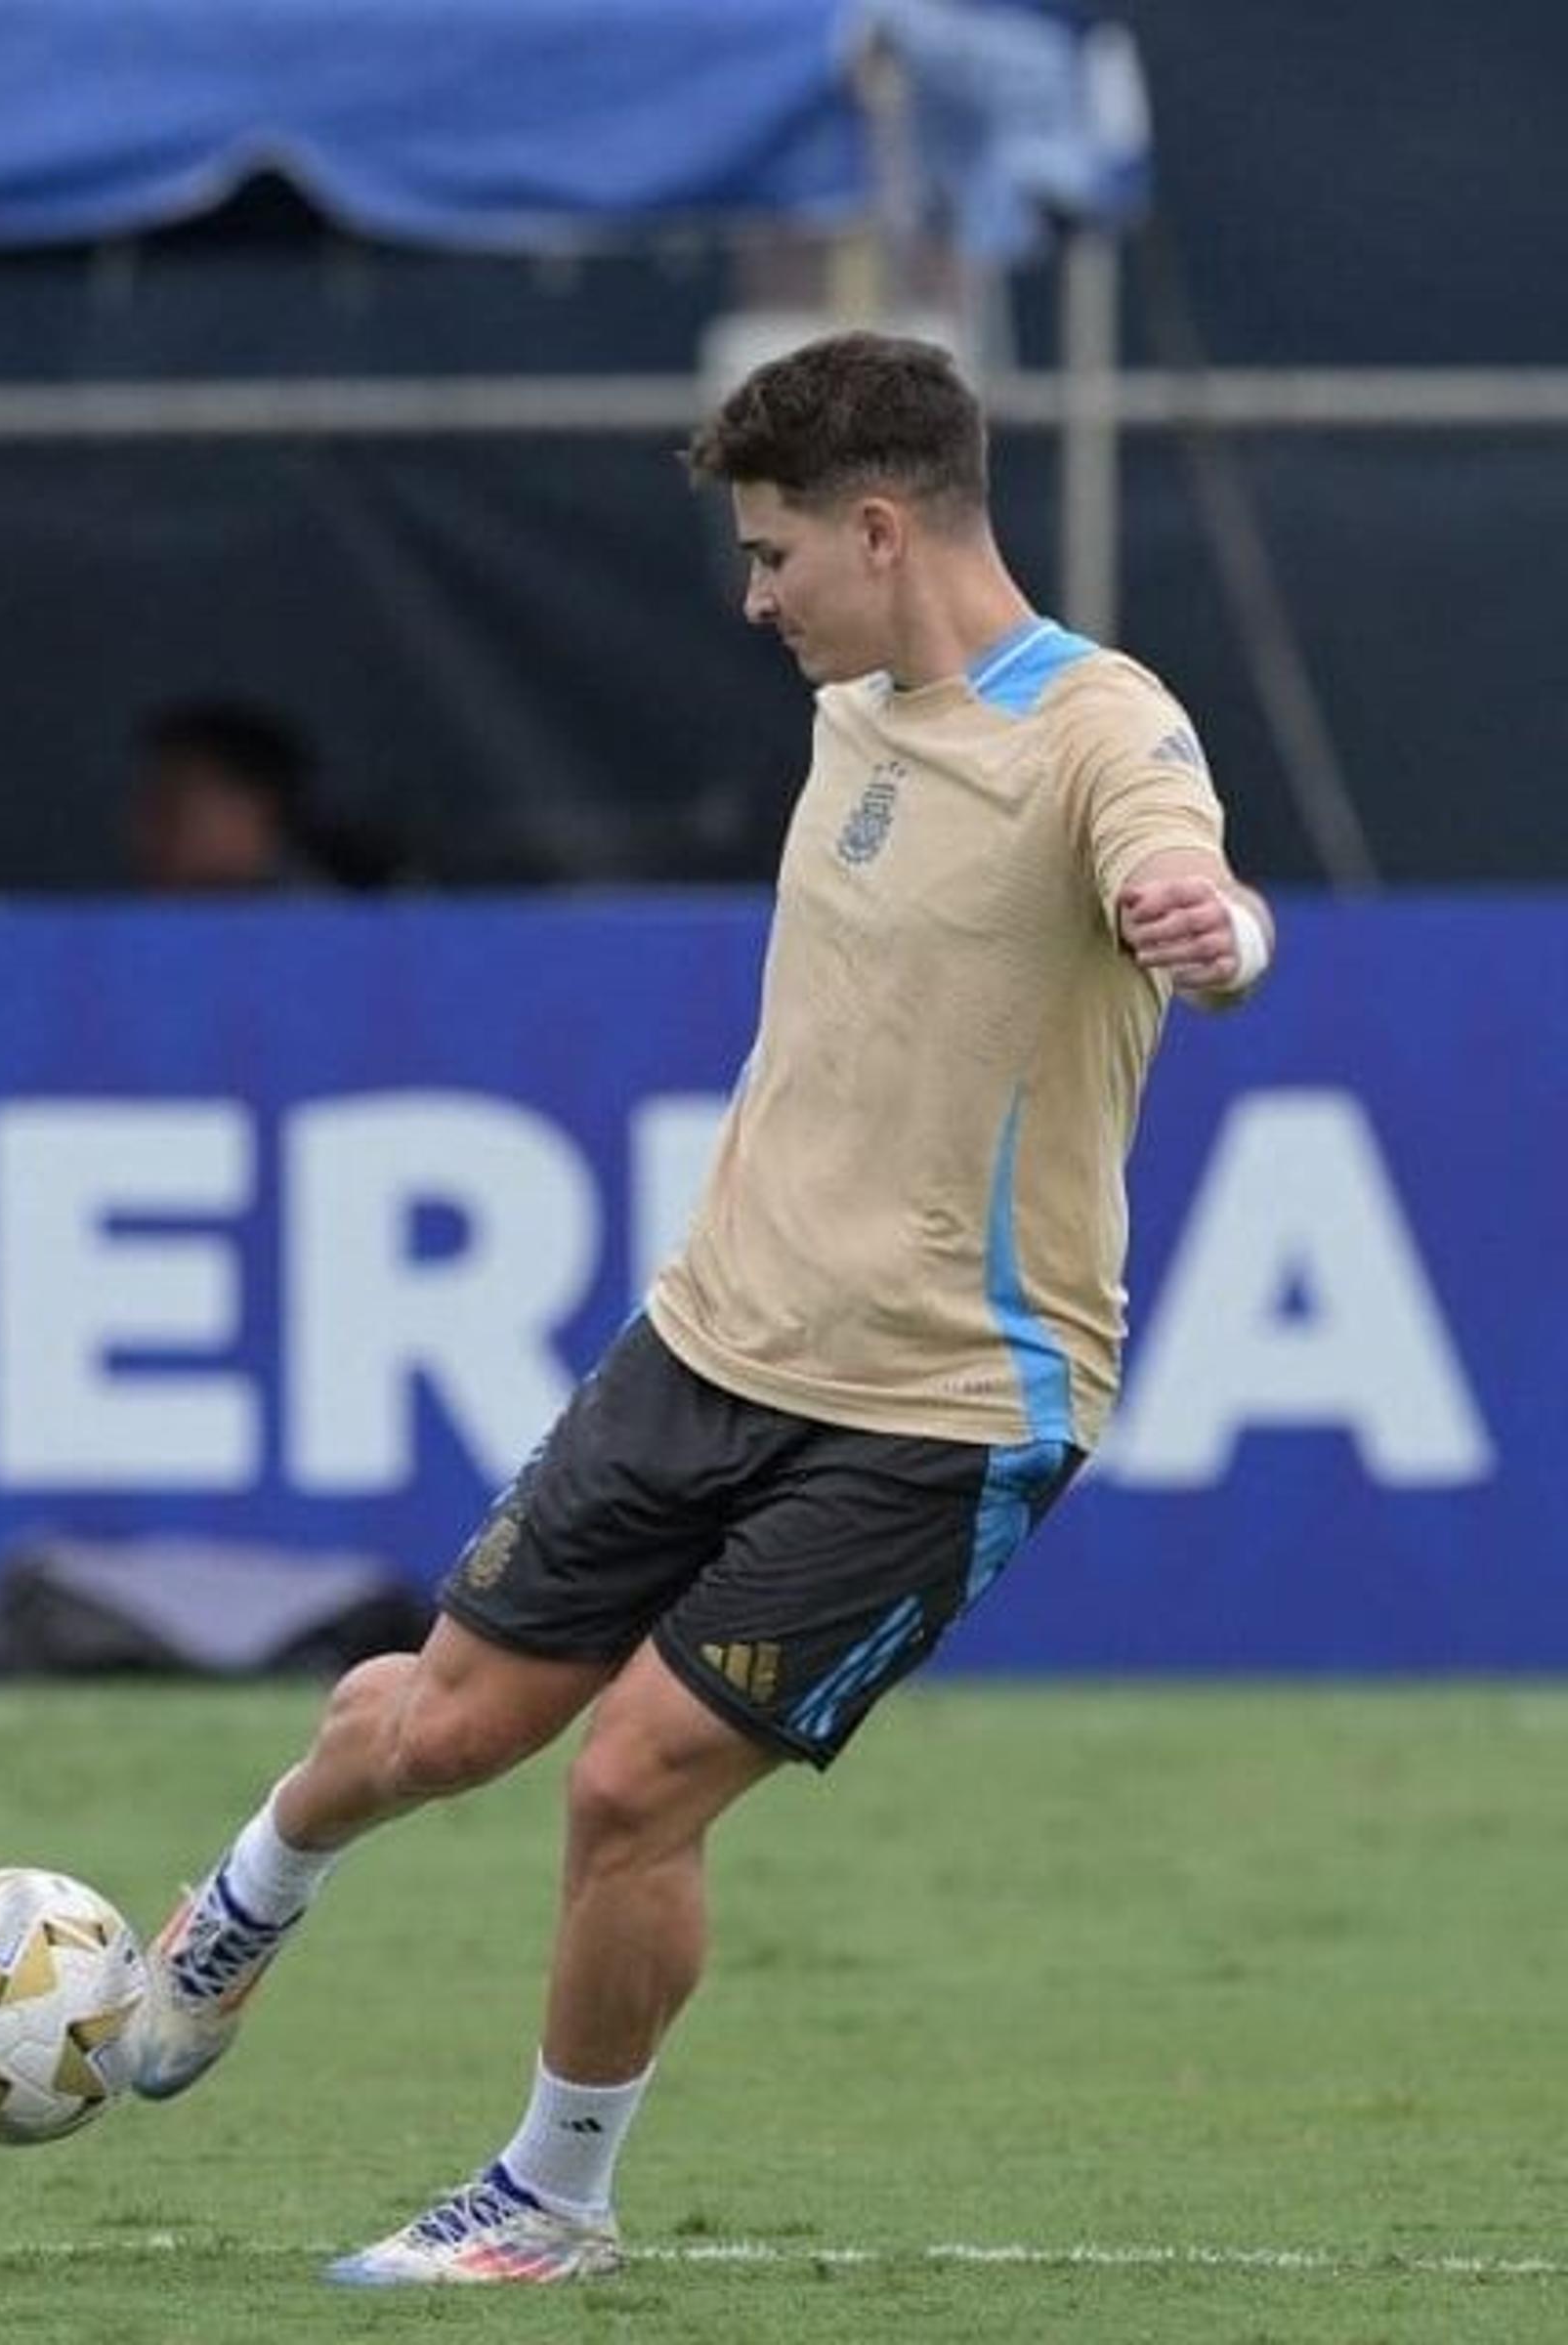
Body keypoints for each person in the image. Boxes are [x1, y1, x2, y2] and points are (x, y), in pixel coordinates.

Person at [126, 330, 1276, 2285]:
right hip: (708, 1341)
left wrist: (1216, 931)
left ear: (883, 530)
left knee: (634, 1780)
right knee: (433, 1728)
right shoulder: (855, 707)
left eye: (771, 555)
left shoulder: (1101, 725)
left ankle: (551, 2197)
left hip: (942, 1407)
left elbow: (1196, 881)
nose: (753, 598)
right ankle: (245, 1897)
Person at [122, 698, 404, 892]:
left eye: (170, 810)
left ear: (252, 809)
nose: (142, 835)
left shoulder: (365, 929)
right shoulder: (129, 946)